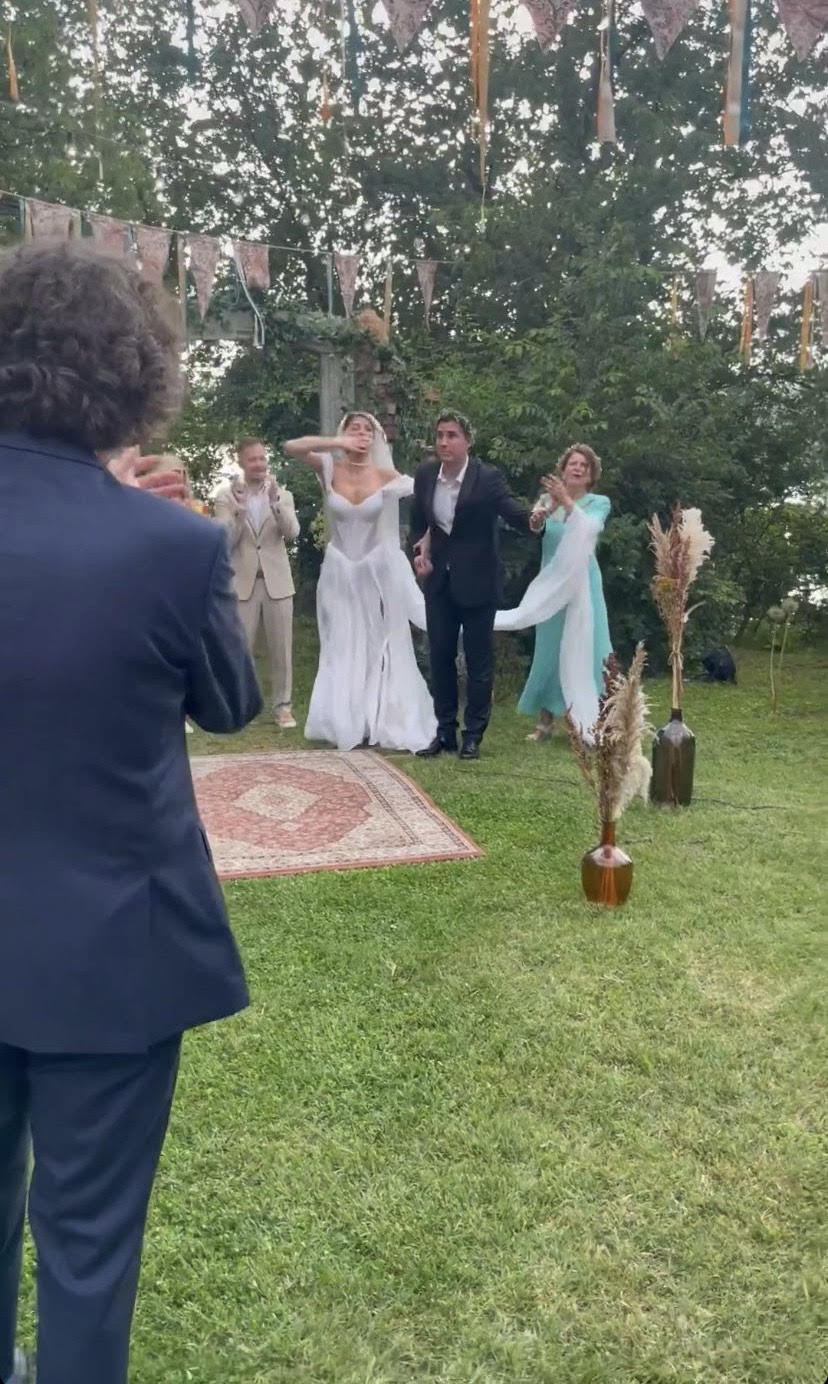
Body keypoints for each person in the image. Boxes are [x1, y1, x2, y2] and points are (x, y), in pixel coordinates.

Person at [0, 242, 262, 1384]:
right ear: (131, 373)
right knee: (89, 1245)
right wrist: (158, 529)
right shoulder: (173, 544)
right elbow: (232, 705)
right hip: (111, 950)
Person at [284, 412, 436, 752]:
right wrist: (337, 443)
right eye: (355, 428)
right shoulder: (329, 468)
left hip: (372, 570)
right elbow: (292, 446)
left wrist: (427, 537)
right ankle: (342, 718)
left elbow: (429, 500)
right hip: (338, 570)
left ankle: (373, 718)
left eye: (368, 430)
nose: (362, 434)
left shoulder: (385, 475)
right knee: (340, 642)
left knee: (374, 640)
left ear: (376, 438)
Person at [410, 411, 546, 761]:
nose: (444, 442)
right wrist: (420, 553)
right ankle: (444, 732)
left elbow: (514, 513)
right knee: (439, 656)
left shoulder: (486, 477)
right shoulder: (426, 475)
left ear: (468, 441)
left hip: (478, 581)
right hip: (439, 582)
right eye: (440, 435)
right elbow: (419, 524)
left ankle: (472, 735)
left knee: (478, 662)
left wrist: (534, 520)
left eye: (452, 435)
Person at [516, 444, 612, 740]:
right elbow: (537, 527)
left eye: (584, 465)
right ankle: (545, 722)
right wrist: (538, 518)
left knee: (593, 646)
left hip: (584, 583)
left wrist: (566, 501)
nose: (578, 468)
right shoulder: (548, 499)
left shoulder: (599, 502)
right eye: (573, 463)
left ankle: (595, 720)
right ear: (563, 469)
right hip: (552, 584)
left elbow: (589, 529)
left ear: (591, 475)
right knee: (550, 647)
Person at [214, 438, 300, 729]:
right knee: (240, 650)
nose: (259, 464)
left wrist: (276, 505)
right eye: (253, 459)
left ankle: (283, 707)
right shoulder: (226, 497)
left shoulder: (282, 494)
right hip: (242, 583)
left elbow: (293, 533)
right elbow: (224, 542)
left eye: (262, 458)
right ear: (241, 462)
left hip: (278, 582)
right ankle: (240, 707)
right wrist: (239, 512)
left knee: (282, 650)